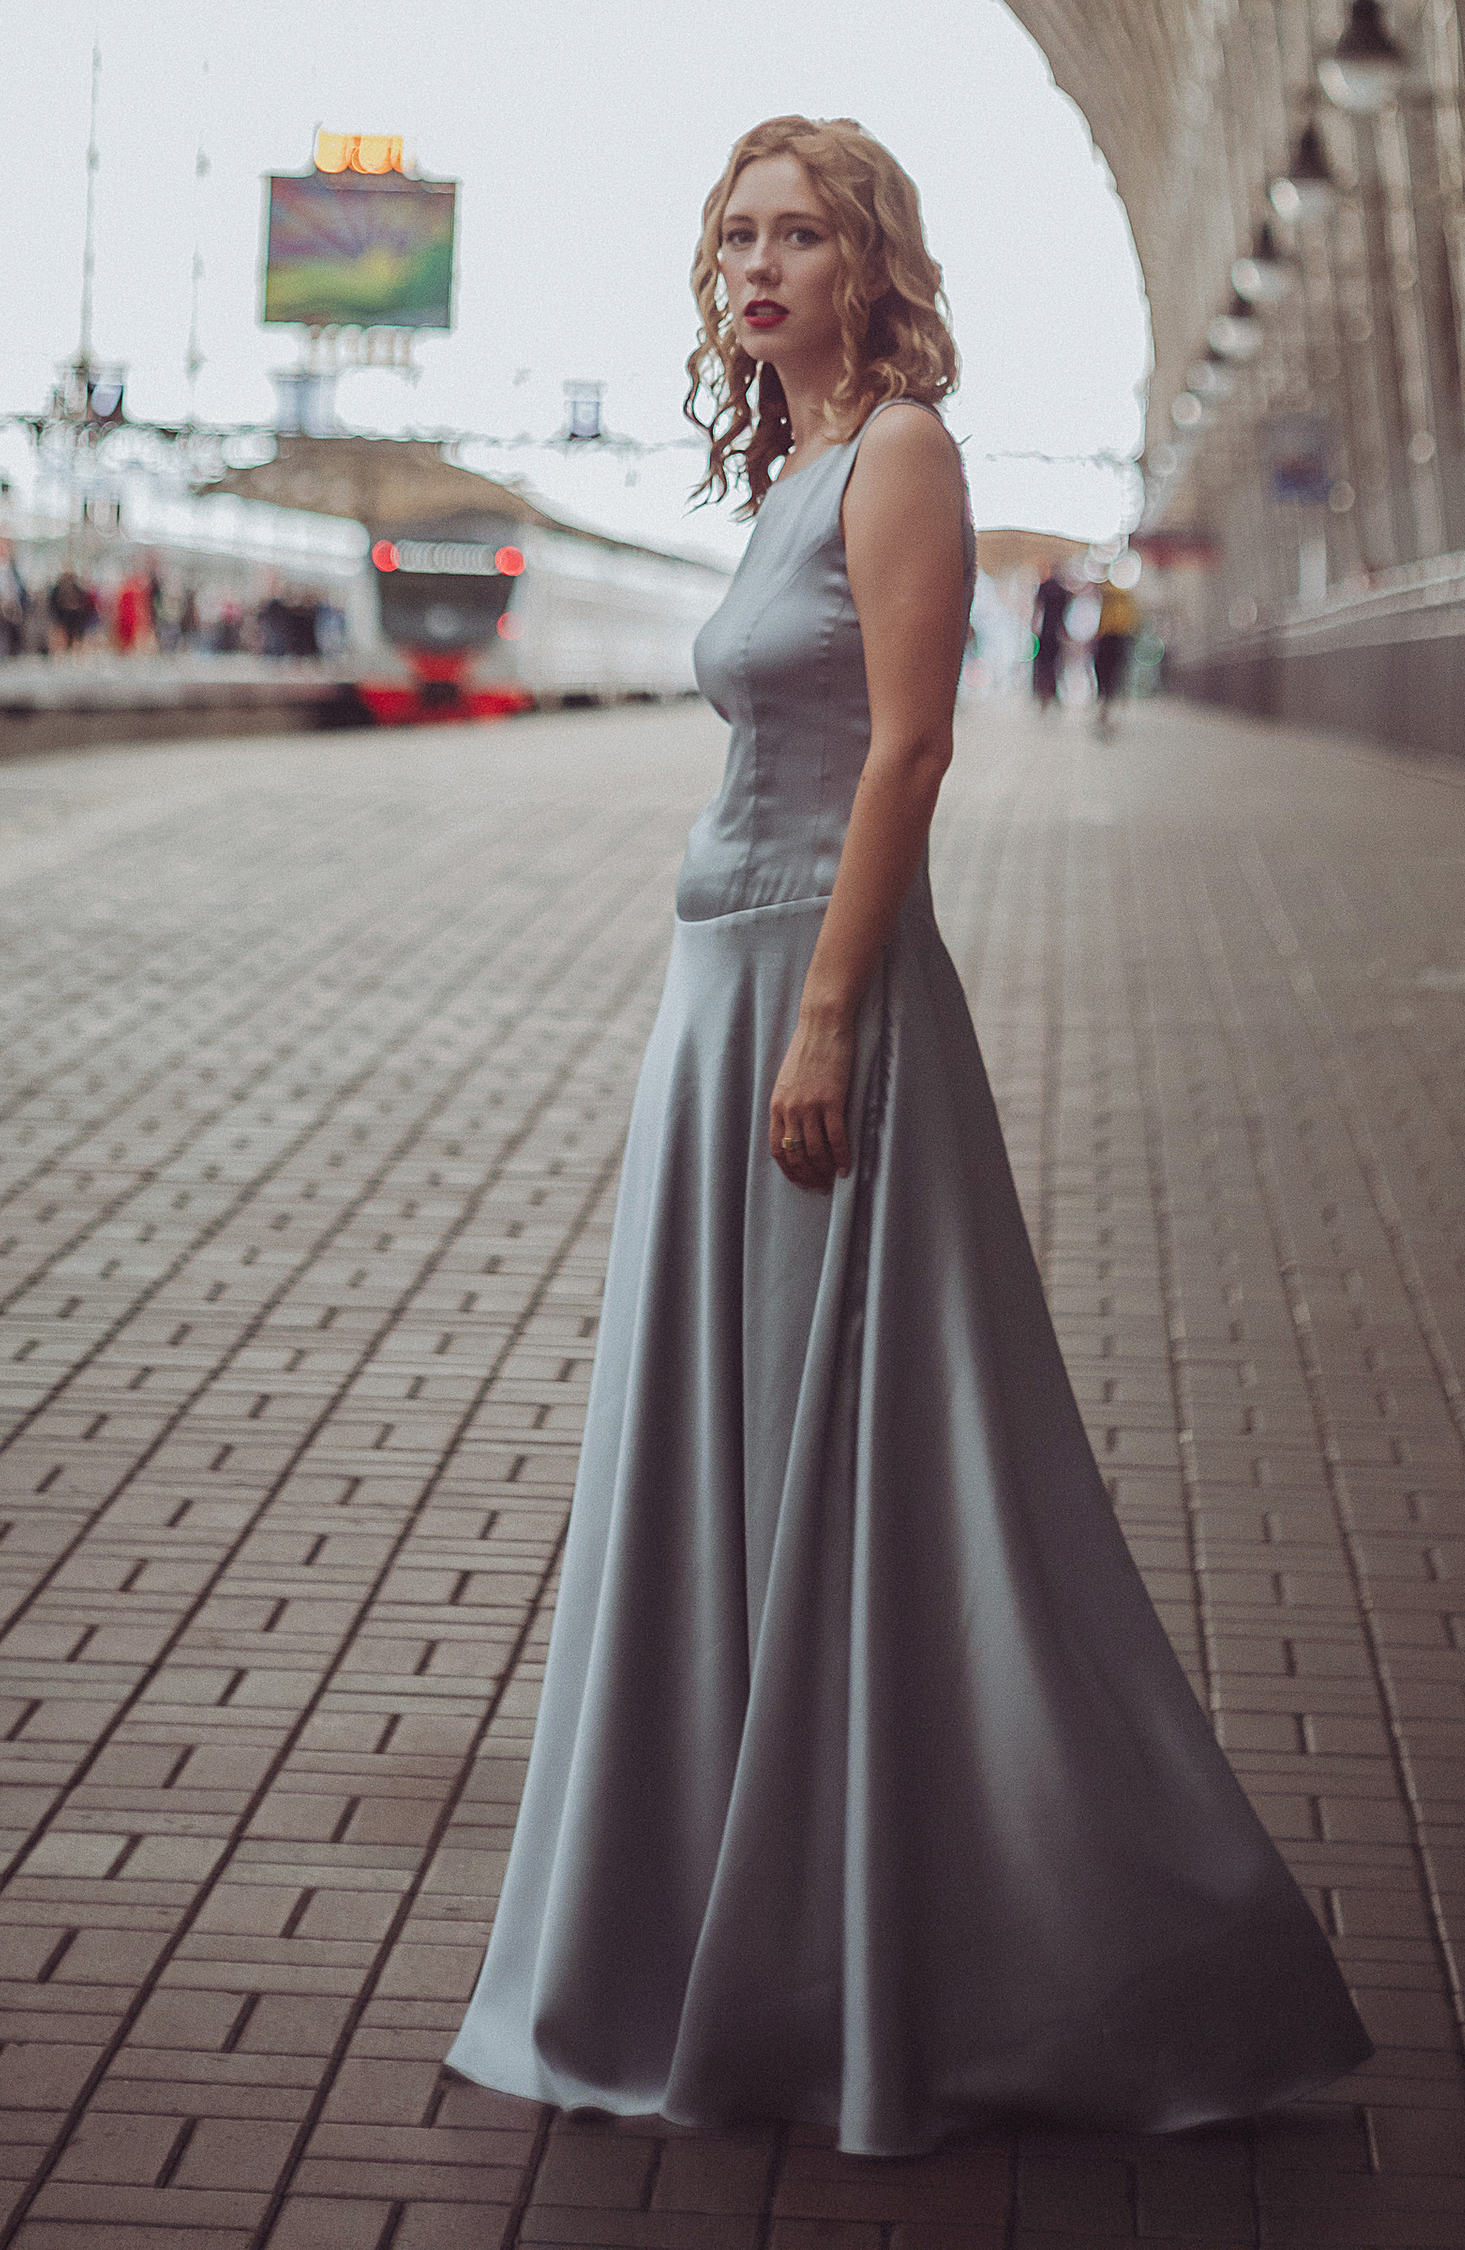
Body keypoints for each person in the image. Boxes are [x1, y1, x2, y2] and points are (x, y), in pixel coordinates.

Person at [446, 116, 1369, 2158]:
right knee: (735, 1463)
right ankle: (728, 1922)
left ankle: (962, 1951)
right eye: (733, 236)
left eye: (797, 234)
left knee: (862, 1471)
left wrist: (829, 1020)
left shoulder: (901, 457)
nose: (754, 266)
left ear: (873, 264)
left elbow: (911, 745)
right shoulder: (779, 464)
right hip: (716, 1000)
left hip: (809, 994)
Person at [1091, 566, 1142, 731]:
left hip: (1113, 637)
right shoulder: (1123, 596)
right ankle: (1109, 705)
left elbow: (1108, 619)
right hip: (1119, 637)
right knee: (1113, 673)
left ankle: (1107, 706)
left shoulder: (1112, 594)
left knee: (1107, 672)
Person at [1030, 556, 1074, 707]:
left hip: (1046, 631)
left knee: (1044, 664)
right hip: (1054, 633)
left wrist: (1033, 626)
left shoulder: (1047, 587)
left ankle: (1043, 693)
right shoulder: (1063, 590)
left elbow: (1038, 608)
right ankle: (1049, 693)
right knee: (1054, 664)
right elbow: (1064, 615)